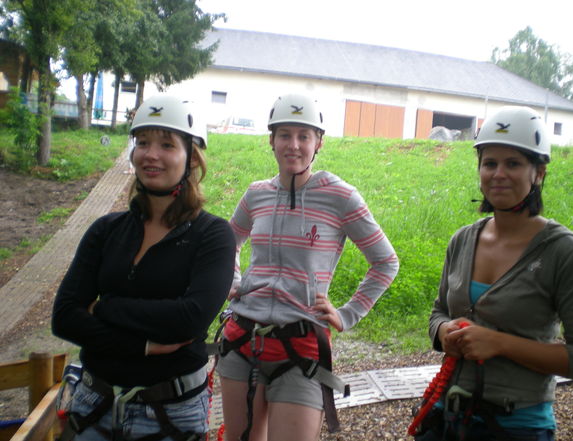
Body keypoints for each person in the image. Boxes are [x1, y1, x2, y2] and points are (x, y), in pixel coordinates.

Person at [52, 94, 236, 441]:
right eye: (143, 142)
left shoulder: (212, 235)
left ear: (191, 158)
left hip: (171, 412)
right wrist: (144, 346)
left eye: (167, 144)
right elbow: (64, 317)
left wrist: (105, 307)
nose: (151, 154)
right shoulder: (106, 230)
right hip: (95, 402)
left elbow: (190, 319)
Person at [216, 93, 400, 441]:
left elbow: (385, 262)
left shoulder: (340, 196)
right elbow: (230, 241)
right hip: (243, 339)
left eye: (304, 135)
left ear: (319, 142)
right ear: (271, 140)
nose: (294, 145)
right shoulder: (256, 194)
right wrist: (234, 281)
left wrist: (347, 314)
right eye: (284, 134)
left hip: (301, 347)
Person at [417, 106, 573, 441]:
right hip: (448, 417)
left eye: (513, 163)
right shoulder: (463, 240)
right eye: (490, 163)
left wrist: (499, 343)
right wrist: (443, 332)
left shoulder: (564, 252)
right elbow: (438, 311)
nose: (498, 174)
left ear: (538, 172)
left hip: (517, 424)